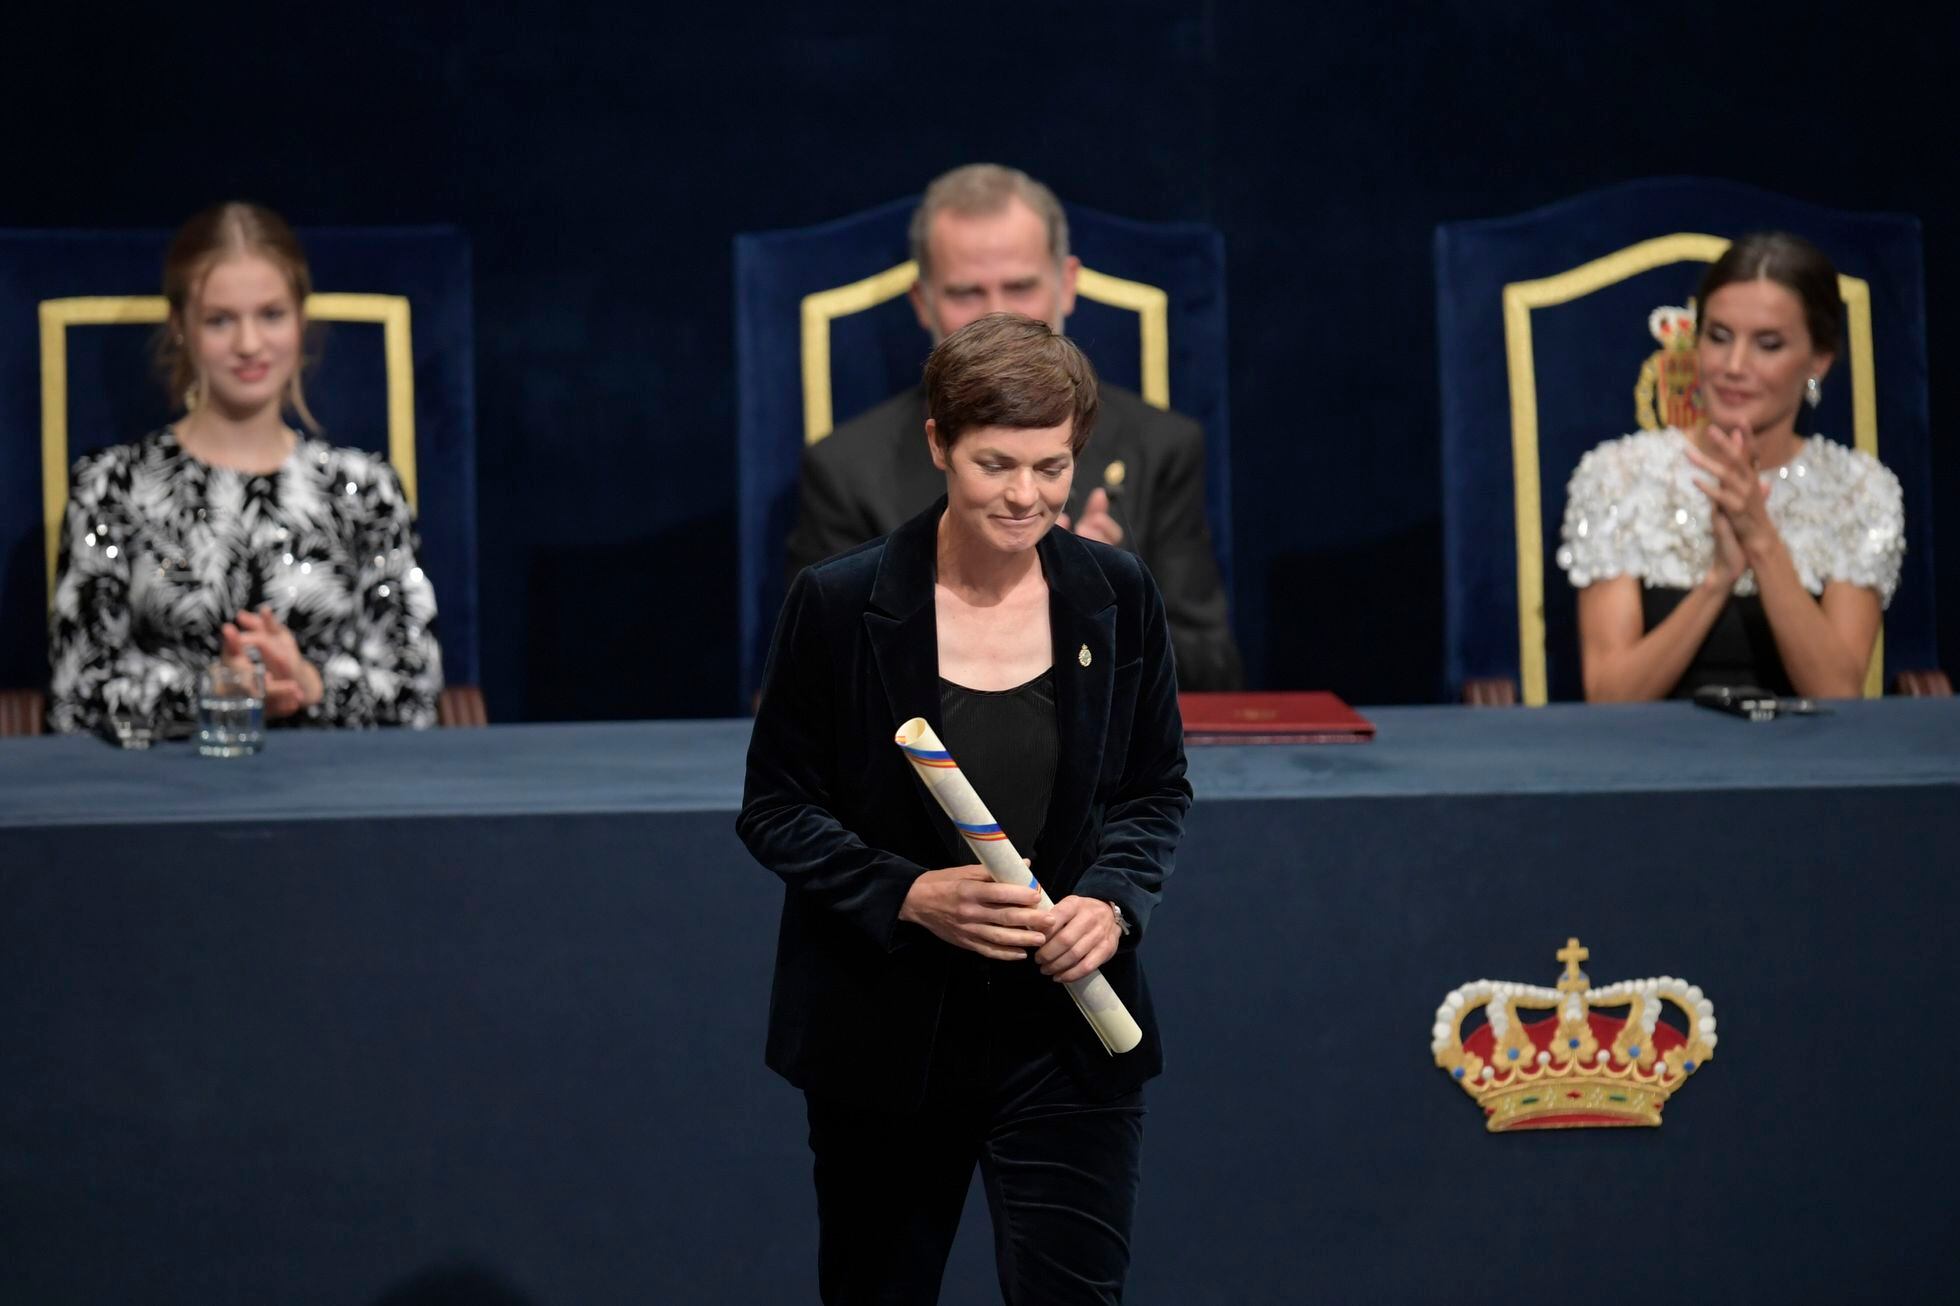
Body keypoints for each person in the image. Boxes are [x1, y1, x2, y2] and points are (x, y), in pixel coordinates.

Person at [740, 313, 1190, 1304]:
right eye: (996, 464)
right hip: (885, 1037)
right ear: (938, 444)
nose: (1026, 496)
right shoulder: (837, 603)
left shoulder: (1117, 595)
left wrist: (1111, 903)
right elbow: (774, 807)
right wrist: (907, 895)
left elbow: (1155, 791)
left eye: (1051, 466)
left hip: (1067, 1039)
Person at [786, 162, 1244, 691]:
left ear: (1067, 284)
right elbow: (810, 678)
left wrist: (1102, 599)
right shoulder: (847, 469)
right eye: (966, 293)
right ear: (922, 300)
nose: (997, 316)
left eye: (1021, 286)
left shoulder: (1162, 447)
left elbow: (1216, 673)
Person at [48, 201, 442, 735]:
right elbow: (78, 695)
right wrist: (217, 690)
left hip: (341, 789)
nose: (249, 345)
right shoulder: (112, 489)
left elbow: (417, 690)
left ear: (302, 321)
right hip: (167, 792)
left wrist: (310, 683)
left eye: (271, 315)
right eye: (220, 321)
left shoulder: (365, 491)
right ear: (180, 326)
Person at [1557, 231, 1903, 700]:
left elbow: (1838, 693)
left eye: (1768, 344)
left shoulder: (1860, 490)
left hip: (1804, 763)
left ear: (1818, 362)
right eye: (1718, 337)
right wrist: (1718, 579)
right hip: (1654, 761)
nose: (1734, 365)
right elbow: (1610, 697)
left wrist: (1760, 541)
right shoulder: (1617, 476)